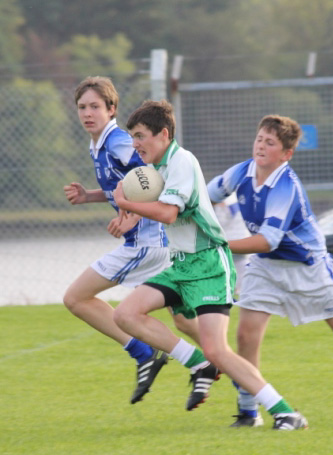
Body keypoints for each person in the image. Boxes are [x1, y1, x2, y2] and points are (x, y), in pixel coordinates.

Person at [112, 99, 307, 430]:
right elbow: (161, 211)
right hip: (182, 264)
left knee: (219, 350)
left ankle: (285, 411)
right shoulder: (158, 169)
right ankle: (197, 361)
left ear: (163, 134)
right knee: (125, 314)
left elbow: (169, 213)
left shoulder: (182, 162)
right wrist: (131, 215)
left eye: (141, 135)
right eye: (133, 136)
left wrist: (126, 202)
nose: (135, 143)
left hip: (209, 265)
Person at [207, 114, 333, 427]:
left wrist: (218, 243)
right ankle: (248, 412)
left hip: (307, 266)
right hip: (266, 267)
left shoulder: (286, 186)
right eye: (259, 139)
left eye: (270, 143)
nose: (261, 146)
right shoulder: (242, 171)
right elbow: (206, 196)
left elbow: (267, 240)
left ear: (286, 154)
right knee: (246, 335)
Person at [63, 76, 200, 405]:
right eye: (82, 107)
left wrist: (133, 217)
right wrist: (90, 196)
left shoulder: (117, 141)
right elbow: (123, 186)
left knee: (76, 298)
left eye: (95, 106)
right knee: (185, 321)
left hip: (146, 244)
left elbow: (152, 176)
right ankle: (236, 377)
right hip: (154, 244)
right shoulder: (98, 144)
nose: (87, 113)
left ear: (111, 110)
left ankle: (146, 353)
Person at [212, 193, 250, 295]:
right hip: (242, 240)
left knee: (225, 268)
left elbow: (222, 221)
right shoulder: (239, 197)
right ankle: (240, 290)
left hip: (229, 240)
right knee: (240, 270)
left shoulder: (223, 200)